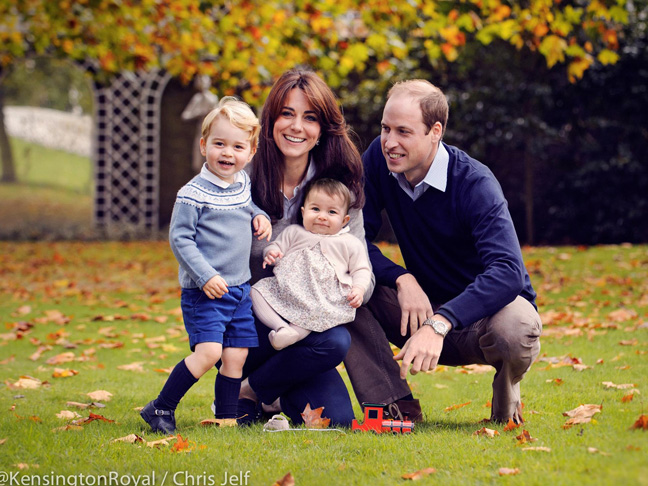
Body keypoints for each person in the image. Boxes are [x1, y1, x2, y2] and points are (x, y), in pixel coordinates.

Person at [344, 79, 542, 424]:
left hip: (482, 320)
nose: (390, 142)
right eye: (385, 128)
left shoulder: (475, 183)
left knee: (518, 326)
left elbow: (508, 271)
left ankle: (506, 402)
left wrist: (441, 322)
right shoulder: (378, 158)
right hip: (417, 309)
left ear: (435, 131)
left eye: (403, 132)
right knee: (342, 284)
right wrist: (402, 278)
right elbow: (350, 238)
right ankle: (394, 405)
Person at [234, 69, 374, 427]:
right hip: (248, 323)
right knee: (322, 342)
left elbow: (361, 264)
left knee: (337, 415)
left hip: (310, 330)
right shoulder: (241, 179)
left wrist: (352, 289)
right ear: (270, 120)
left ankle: (253, 391)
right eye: (287, 114)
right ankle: (257, 385)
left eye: (309, 118)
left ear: (322, 129)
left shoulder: (338, 189)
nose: (297, 127)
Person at [141, 97, 272, 434]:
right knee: (210, 352)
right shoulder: (192, 193)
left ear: (251, 151)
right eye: (219, 144)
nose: (228, 153)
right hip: (206, 292)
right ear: (204, 146)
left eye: (237, 146)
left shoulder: (241, 183)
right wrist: (205, 275)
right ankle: (160, 407)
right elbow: (180, 239)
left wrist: (259, 215)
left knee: (236, 357)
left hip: (240, 289)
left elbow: (247, 206)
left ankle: (226, 418)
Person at [251, 178, 372, 350]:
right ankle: (281, 328)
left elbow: (361, 269)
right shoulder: (294, 232)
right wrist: (271, 254)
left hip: (322, 297)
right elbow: (276, 247)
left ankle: (293, 333)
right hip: (287, 289)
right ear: (303, 211)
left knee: (314, 313)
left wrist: (359, 289)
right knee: (256, 292)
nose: (322, 216)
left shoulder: (349, 243)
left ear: (345, 220)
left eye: (331, 212)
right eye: (315, 209)